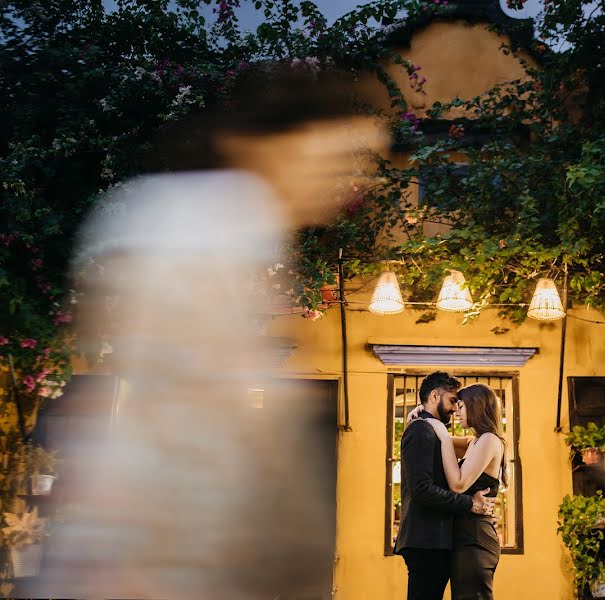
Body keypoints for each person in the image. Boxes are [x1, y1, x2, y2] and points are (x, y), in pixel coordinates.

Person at [46, 67, 390, 600]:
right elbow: (201, 408)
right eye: (335, 157)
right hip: (159, 540)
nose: (347, 180)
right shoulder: (216, 222)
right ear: (270, 146)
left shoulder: (195, 213)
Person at [394, 372, 497, 600]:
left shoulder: (432, 429)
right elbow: (421, 489)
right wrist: (469, 504)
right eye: (452, 401)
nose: (455, 409)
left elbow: (474, 447)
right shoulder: (420, 430)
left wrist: (425, 418)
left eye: (460, 404)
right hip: (426, 539)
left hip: (440, 539)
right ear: (434, 396)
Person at [424, 383, 505, 600]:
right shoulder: (475, 441)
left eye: (460, 406)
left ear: (475, 406)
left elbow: (458, 484)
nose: (456, 412)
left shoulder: (489, 440)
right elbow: (437, 440)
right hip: (466, 537)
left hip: (475, 539)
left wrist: (441, 433)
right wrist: (421, 417)